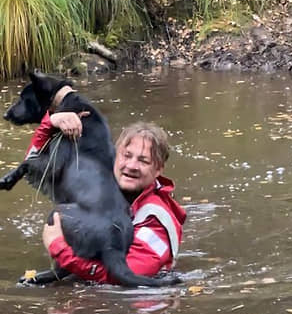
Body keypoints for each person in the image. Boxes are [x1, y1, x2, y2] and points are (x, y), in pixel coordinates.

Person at [27, 110, 186, 284]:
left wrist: (58, 247)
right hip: (91, 269)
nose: (132, 166)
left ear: (158, 170)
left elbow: (128, 277)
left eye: (143, 161)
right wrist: (51, 123)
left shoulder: (157, 220)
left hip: (135, 295)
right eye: (126, 155)